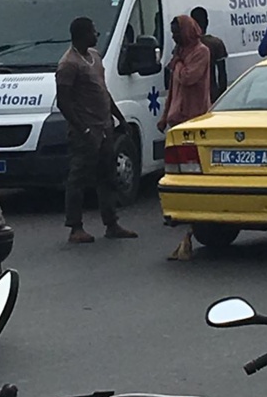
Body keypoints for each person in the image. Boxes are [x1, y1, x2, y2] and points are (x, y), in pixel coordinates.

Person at [56, 17, 138, 244]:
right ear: (82, 35)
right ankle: (75, 227)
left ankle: (111, 223)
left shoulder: (94, 56)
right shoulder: (69, 64)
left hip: (104, 127)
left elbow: (103, 90)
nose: (96, 35)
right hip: (85, 131)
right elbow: (64, 102)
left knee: (107, 176)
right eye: (93, 31)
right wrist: (83, 129)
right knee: (78, 178)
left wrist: (119, 118)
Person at [157, 16, 210, 133]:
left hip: (194, 117)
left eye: (176, 33)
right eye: (172, 33)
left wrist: (178, 62)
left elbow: (187, 78)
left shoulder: (201, 52)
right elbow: (172, 89)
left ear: (186, 32)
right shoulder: (180, 51)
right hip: (176, 117)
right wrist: (164, 117)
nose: (173, 37)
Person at [190, 6, 228, 102]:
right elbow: (222, 74)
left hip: (192, 95)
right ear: (207, 22)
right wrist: (221, 96)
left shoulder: (186, 45)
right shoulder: (216, 43)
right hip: (211, 93)